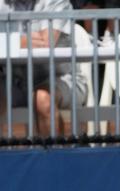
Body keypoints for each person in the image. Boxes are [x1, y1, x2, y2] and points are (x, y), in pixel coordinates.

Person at [0, 0, 88, 136]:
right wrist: (20, 41)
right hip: (14, 82)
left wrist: (6, 42)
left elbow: (45, 42)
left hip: (62, 79)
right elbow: (31, 42)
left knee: (42, 98)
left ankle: (53, 155)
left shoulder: (56, 2)